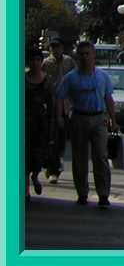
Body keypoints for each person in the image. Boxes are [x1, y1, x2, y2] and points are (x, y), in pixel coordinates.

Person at [55, 41, 117, 208]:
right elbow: (60, 97)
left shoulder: (102, 77)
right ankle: (82, 193)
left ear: (93, 55)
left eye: (87, 54)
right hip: (79, 118)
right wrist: (60, 117)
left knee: (100, 157)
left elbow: (109, 99)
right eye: (81, 54)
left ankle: (103, 194)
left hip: (99, 119)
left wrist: (114, 120)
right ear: (77, 57)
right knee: (79, 158)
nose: (84, 57)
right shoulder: (70, 78)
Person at [42, 37, 75, 184]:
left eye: (58, 47)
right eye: (53, 47)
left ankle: (58, 161)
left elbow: (75, 79)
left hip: (66, 105)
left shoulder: (69, 61)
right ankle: (52, 168)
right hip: (51, 104)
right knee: (51, 138)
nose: (55, 50)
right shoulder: (46, 63)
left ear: (62, 47)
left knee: (61, 137)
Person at [26, 47, 53, 199]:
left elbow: (51, 103)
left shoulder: (47, 81)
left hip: (41, 123)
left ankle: (35, 176)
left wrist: (54, 121)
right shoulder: (22, 80)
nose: (35, 63)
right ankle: (25, 190)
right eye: (32, 60)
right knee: (23, 156)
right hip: (24, 122)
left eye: (38, 60)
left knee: (38, 155)